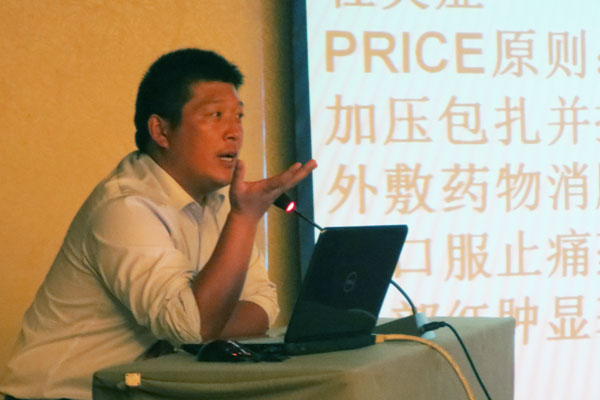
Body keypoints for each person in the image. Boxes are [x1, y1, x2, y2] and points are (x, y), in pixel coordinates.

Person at [0, 48, 317, 400]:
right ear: (161, 131)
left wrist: (200, 327)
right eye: (216, 115)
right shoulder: (125, 206)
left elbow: (263, 305)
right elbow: (193, 328)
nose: (234, 133)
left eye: (238, 116)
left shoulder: (218, 202)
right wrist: (244, 220)